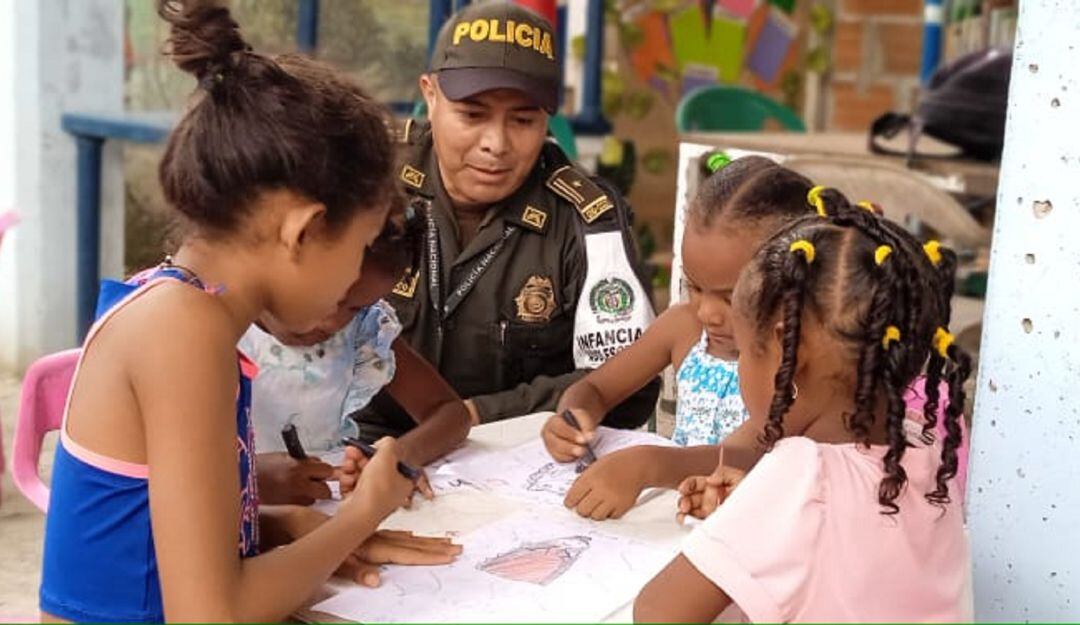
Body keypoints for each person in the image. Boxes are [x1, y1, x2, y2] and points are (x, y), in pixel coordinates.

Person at [39, 2, 459, 621]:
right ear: (306, 230)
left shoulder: (180, 307)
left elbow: (153, 536)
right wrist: (362, 513)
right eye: (358, 248)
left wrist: (290, 528)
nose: (354, 280)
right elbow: (214, 615)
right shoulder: (182, 335)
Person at [634, 193, 973, 622]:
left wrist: (762, 506)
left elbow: (658, 611)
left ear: (785, 351)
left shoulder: (801, 474)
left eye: (745, 352)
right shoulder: (922, 447)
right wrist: (756, 510)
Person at [356, 2, 659, 442]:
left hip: (514, 459)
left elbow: (630, 383)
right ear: (430, 95)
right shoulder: (367, 174)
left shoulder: (585, 218)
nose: (496, 144)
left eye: (523, 120)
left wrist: (478, 414)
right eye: (473, 115)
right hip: (359, 444)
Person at [542, 156, 814, 519]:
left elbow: (760, 451)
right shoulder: (683, 328)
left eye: (730, 298)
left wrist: (650, 465)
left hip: (756, 524)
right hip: (677, 519)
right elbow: (595, 388)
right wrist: (573, 420)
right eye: (695, 287)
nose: (706, 312)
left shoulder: (802, 358)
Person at [241, 203, 472, 506]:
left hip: (325, 511)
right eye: (330, 296)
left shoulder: (361, 329)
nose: (332, 321)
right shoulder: (221, 328)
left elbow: (450, 413)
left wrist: (398, 456)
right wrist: (248, 479)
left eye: (355, 307)